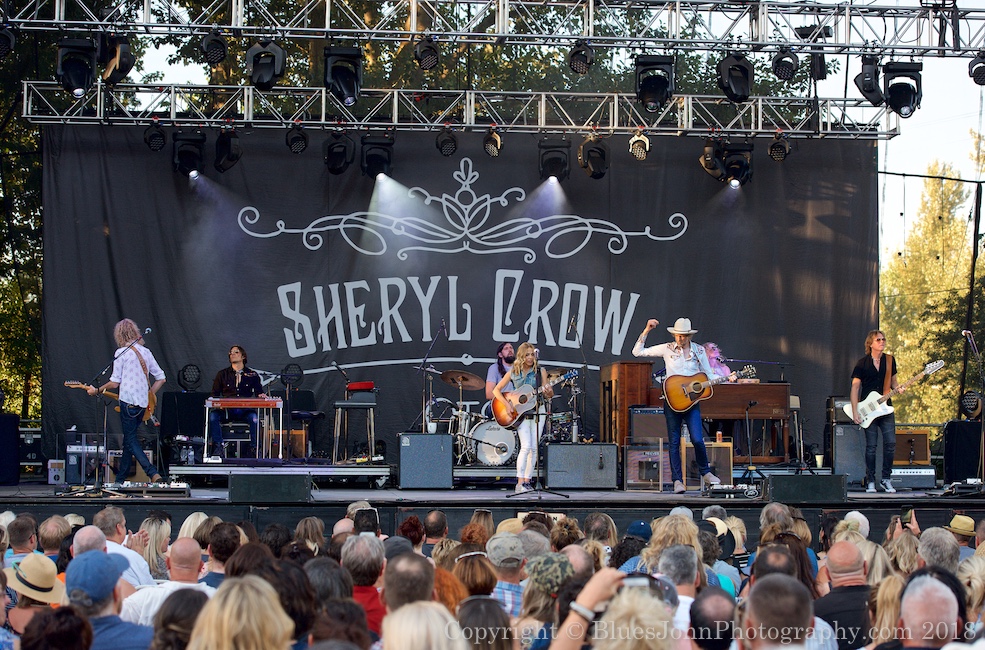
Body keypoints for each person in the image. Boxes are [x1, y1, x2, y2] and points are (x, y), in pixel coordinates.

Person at [633, 318, 726, 493]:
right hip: (672, 401)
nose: (680, 339)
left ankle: (705, 472)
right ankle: (677, 480)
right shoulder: (667, 348)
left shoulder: (699, 351)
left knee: (698, 439)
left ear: (689, 336)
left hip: (691, 402)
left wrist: (726, 378)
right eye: (678, 335)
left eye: (683, 336)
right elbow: (638, 352)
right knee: (674, 442)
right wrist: (647, 330)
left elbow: (709, 375)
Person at [86, 318, 164, 483]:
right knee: (129, 441)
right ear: (135, 332)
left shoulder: (121, 353)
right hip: (142, 404)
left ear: (119, 335)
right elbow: (161, 378)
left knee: (130, 439)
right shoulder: (146, 352)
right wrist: (149, 394)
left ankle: (152, 473)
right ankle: (120, 479)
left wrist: (97, 390)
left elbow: (114, 382)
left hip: (127, 402)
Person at [492, 342, 553, 494]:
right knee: (526, 446)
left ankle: (528, 481)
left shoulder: (540, 371)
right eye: (527, 354)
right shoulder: (514, 371)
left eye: (532, 354)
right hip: (521, 412)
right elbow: (496, 390)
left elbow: (548, 395)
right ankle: (519, 482)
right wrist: (506, 404)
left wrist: (548, 391)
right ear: (521, 355)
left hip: (539, 409)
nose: (530, 357)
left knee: (534, 448)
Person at [849, 330, 901, 493]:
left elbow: (894, 383)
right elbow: (855, 387)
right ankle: (871, 480)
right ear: (870, 343)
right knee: (871, 446)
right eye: (878, 340)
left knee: (891, 443)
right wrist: (855, 410)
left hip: (886, 407)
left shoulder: (890, 361)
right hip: (869, 409)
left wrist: (898, 389)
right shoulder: (862, 363)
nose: (882, 342)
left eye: (884, 339)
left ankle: (886, 478)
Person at [207, 345, 266, 458]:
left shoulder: (252, 375)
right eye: (230, 353)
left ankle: (254, 448)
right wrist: (219, 405)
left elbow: (259, 392)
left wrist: (262, 396)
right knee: (213, 416)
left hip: (245, 411)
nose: (232, 354)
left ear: (243, 356)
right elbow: (214, 395)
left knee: (254, 418)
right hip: (227, 411)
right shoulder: (222, 374)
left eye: (236, 352)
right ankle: (218, 446)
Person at [484, 343, 515, 417]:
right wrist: (506, 403)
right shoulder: (494, 368)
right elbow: (489, 394)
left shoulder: (519, 369)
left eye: (511, 348)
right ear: (500, 355)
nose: (510, 350)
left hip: (516, 405)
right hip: (499, 405)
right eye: (506, 349)